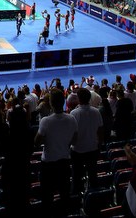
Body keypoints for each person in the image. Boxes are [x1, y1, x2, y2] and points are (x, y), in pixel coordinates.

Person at [35, 88, 78, 217]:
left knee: (47, 196)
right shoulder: (72, 119)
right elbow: (75, 140)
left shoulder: (45, 121)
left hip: (48, 164)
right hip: (65, 162)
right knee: (64, 194)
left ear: (51, 103)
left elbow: (36, 142)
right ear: (63, 101)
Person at [70, 87, 103, 194]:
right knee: (93, 175)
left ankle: (76, 196)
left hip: (77, 150)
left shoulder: (74, 113)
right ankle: (95, 196)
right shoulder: (96, 112)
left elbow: (72, 133)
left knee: (76, 176)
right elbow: (100, 131)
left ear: (79, 99)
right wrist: (99, 145)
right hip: (93, 148)